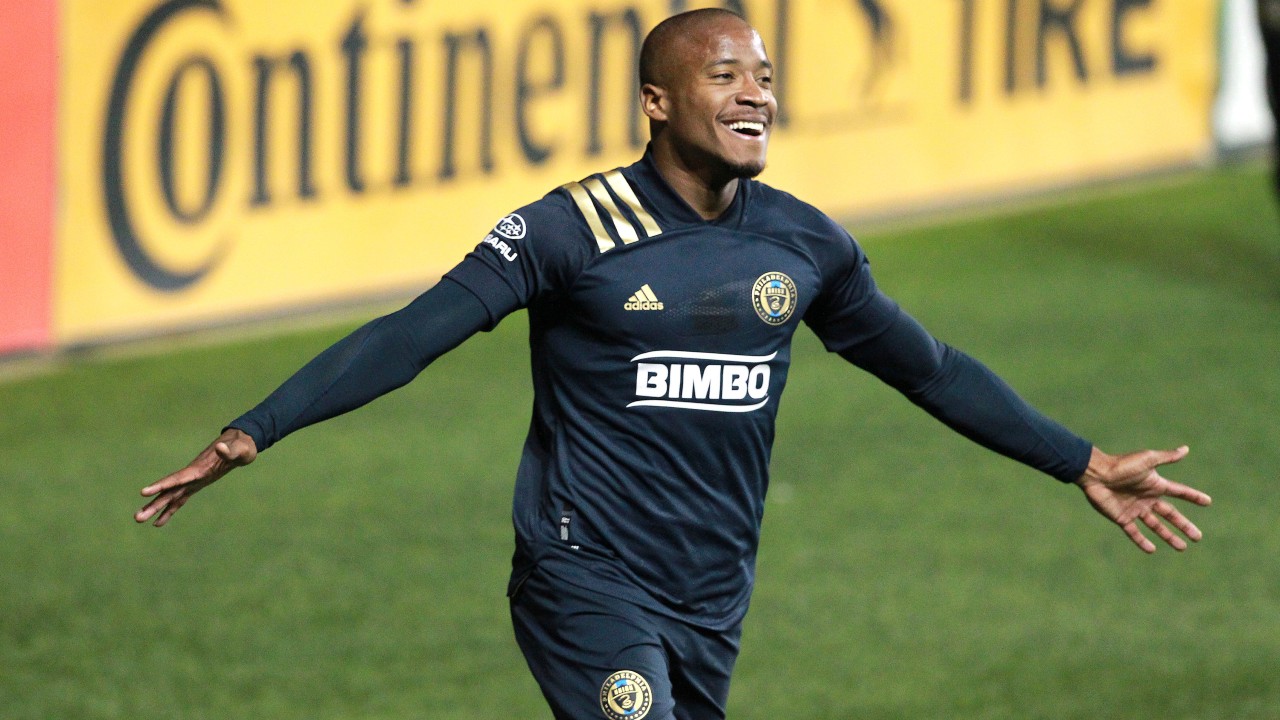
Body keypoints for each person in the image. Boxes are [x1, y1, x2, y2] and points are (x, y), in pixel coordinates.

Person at [136, 9, 1211, 720]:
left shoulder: (805, 243)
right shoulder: (569, 229)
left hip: (711, 590)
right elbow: (413, 333)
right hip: (580, 575)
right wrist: (253, 430)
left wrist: (1075, 460)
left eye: (764, 75)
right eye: (723, 75)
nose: (753, 95)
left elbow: (926, 367)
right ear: (656, 103)